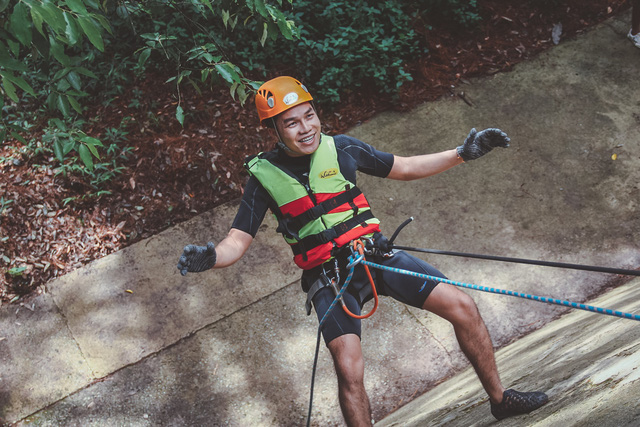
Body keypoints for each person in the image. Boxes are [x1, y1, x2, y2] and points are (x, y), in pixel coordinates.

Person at [177, 76, 548, 425]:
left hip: (373, 254)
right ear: (274, 129)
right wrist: (210, 258)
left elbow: (403, 167)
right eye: (292, 123)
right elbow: (236, 242)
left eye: (310, 116)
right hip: (330, 277)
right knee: (349, 367)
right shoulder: (263, 179)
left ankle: (500, 400)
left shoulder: (342, 148)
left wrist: (461, 154)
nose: (306, 128)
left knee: (463, 307)